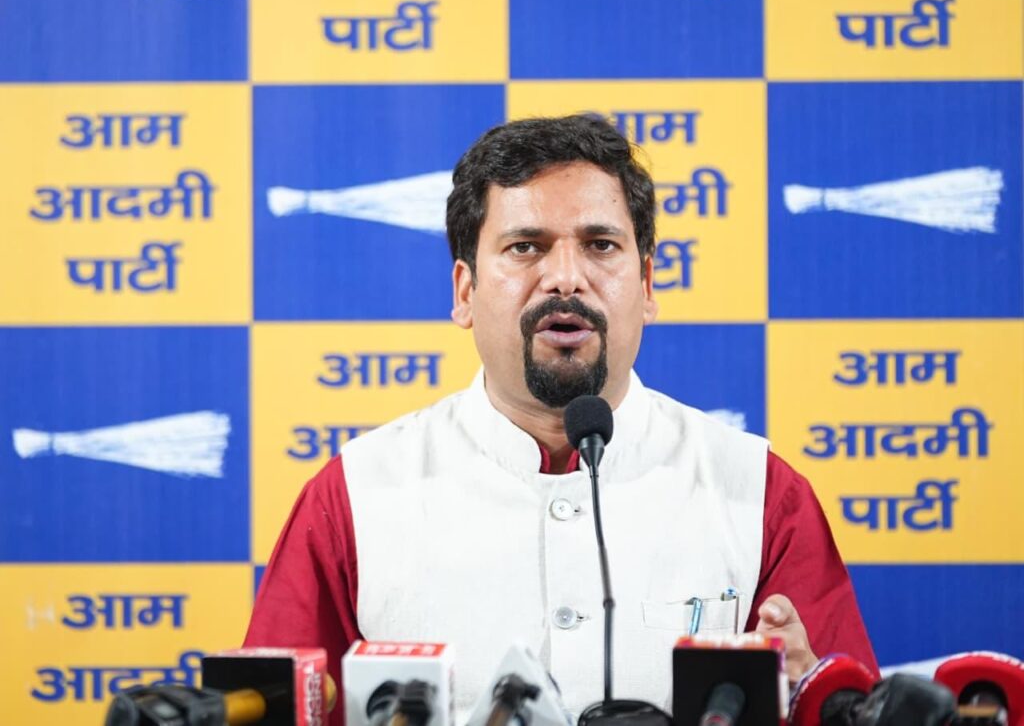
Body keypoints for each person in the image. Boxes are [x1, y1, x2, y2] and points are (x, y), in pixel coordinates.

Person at [245, 114, 877, 723]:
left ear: (647, 284)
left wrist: (813, 707)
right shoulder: (355, 496)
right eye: (526, 247)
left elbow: (844, 703)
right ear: (465, 292)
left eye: (600, 246)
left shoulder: (759, 493)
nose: (566, 279)